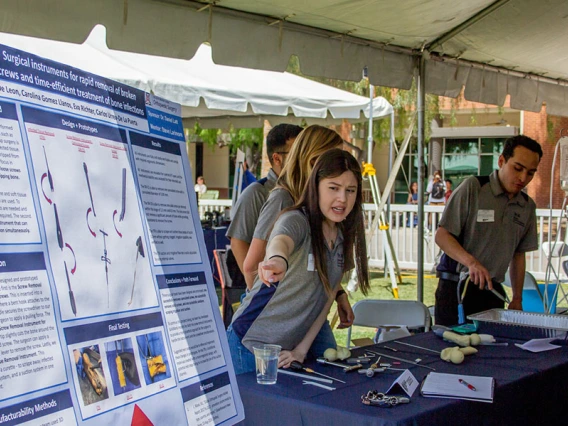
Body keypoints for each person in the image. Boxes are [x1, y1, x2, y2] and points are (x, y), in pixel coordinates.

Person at [227, 149, 369, 373]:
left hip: (287, 349)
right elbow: (281, 241)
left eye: (350, 190)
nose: (342, 198)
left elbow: (327, 297)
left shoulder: (343, 236)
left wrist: (301, 351)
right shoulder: (297, 219)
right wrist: (277, 261)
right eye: (333, 188)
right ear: (316, 187)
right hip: (249, 343)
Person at [242, 125, 351, 358]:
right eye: (332, 161)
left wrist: (339, 294)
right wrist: (280, 317)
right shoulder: (284, 199)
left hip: (310, 316)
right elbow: (253, 264)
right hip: (266, 330)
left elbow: (318, 264)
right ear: (312, 161)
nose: (341, 168)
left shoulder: (327, 208)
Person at [434, 135, 543, 326]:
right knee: (453, 349)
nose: (523, 178)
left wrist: (517, 297)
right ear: (501, 161)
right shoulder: (474, 188)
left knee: (492, 348)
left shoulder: (527, 207)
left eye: (530, 173)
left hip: (493, 290)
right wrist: (472, 263)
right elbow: (442, 236)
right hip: (457, 286)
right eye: (517, 168)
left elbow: (518, 254)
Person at [227, 124, 302, 275]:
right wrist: (255, 288)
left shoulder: (305, 191)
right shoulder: (257, 192)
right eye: (297, 154)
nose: (304, 159)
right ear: (277, 158)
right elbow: (238, 242)